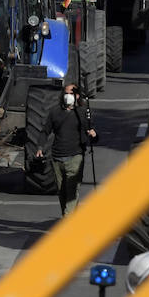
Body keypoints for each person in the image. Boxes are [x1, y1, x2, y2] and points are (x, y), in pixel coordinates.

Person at [35, 83, 98, 217]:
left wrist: (93, 135)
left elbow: (91, 132)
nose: (67, 96)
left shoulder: (82, 112)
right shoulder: (55, 112)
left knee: (72, 191)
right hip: (57, 159)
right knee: (62, 192)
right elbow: (45, 131)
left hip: (75, 158)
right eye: (66, 93)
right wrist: (40, 147)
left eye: (71, 93)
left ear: (77, 96)